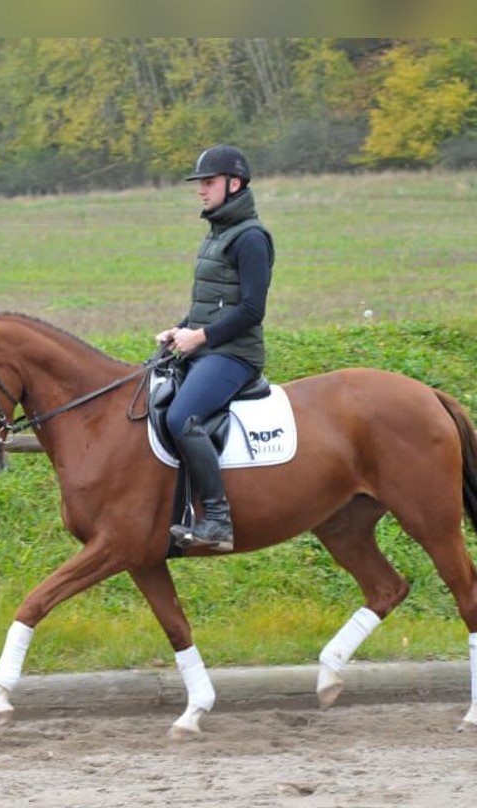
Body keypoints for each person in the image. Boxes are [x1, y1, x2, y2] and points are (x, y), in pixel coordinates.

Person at [155, 144, 274, 553]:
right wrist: (181, 328)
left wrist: (200, 338)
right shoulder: (218, 233)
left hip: (235, 355)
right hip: (208, 347)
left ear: (233, 183)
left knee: (182, 415)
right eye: (200, 184)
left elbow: (251, 310)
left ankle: (218, 521)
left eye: (208, 183)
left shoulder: (251, 238)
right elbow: (210, 303)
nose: (201, 191)